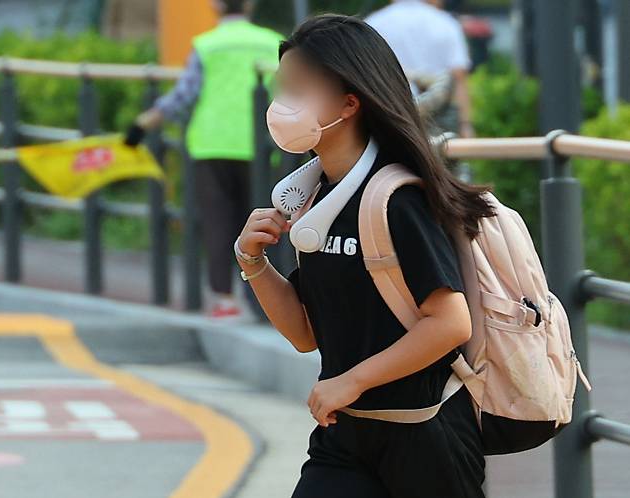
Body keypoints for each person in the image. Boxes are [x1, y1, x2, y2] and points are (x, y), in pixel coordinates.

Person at [234, 14, 496, 498]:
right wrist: (253, 263)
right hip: (345, 436)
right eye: (281, 89)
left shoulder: (398, 198)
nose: (281, 105)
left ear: (349, 102)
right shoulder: (314, 201)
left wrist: (350, 381)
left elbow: (449, 323)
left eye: (298, 89)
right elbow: (305, 333)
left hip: (426, 435)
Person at [128, 0, 283, 318]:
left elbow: (184, 95)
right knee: (264, 222)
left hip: (212, 144)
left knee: (218, 222)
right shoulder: (271, 42)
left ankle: (224, 300)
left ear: (216, 6)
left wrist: (144, 122)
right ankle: (266, 299)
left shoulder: (207, 45)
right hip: (260, 143)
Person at [365, 0, 475, 138]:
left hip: (388, 118)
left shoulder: (373, 24)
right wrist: (465, 124)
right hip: (437, 121)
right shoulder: (445, 23)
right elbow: (459, 78)